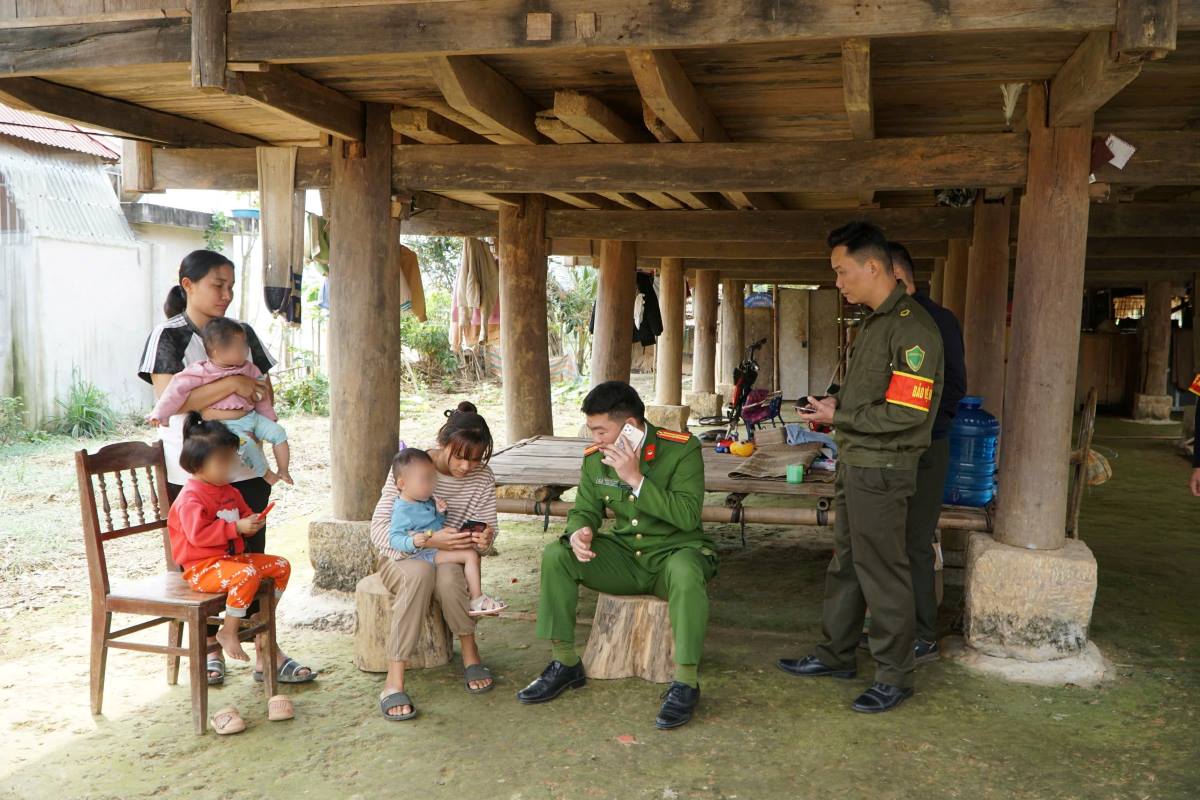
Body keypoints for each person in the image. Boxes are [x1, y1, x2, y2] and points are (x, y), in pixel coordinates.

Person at [779, 221, 944, 714]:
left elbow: (907, 413)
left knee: (882, 569)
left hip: (884, 468)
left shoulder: (912, 328)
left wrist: (841, 415)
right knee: (847, 563)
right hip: (857, 461)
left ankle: (895, 675)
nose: (838, 282)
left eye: (841, 271)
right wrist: (834, 404)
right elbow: (876, 396)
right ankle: (836, 654)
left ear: (873, 267)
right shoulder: (875, 321)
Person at [138, 249, 316, 687]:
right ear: (188, 285)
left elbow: (263, 391)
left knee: (253, 557)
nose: (226, 293)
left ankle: (265, 649)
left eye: (231, 286)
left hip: (246, 469)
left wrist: (246, 391)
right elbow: (170, 399)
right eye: (217, 284)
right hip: (194, 472)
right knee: (204, 557)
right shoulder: (170, 335)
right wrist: (233, 383)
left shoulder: (243, 332)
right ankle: (211, 648)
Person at [517, 381, 717, 730]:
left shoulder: (681, 450)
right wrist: (580, 531)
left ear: (629, 426)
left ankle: (685, 681)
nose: (594, 438)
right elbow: (585, 509)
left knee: (686, 570)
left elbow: (687, 516)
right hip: (626, 557)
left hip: (674, 555)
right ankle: (565, 663)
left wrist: (636, 479)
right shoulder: (597, 459)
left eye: (599, 430)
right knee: (557, 555)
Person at [368, 402, 500, 721]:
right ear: (443, 445)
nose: (468, 467)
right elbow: (379, 530)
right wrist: (428, 538)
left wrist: (485, 538)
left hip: (446, 556)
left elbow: (486, 528)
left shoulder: (482, 477)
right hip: (402, 555)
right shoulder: (414, 467)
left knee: (450, 578)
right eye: (460, 457)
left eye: (476, 459)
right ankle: (394, 679)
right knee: (419, 576)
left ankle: (470, 654)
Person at [167, 413, 294, 734]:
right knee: (247, 575)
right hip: (202, 569)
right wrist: (235, 527)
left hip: (230, 563)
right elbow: (197, 536)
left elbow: (243, 514)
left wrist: (254, 520)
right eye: (222, 464)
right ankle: (228, 630)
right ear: (196, 467)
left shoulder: (227, 489)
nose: (229, 469)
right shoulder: (191, 496)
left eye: (230, 462)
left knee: (280, 566)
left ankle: (256, 620)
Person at [888, 242, 967, 662]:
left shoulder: (938, 321)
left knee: (915, 541)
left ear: (896, 276)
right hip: (886, 450)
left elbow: (953, 388)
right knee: (886, 539)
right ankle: (892, 627)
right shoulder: (883, 321)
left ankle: (923, 633)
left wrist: (921, 431)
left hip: (924, 447)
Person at [149, 317, 292, 486]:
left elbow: (264, 395)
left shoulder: (250, 368)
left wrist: (268, 417)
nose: (245, 350)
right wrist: (160, 414)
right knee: (248, 446)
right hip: (226, 425)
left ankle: (283, 469)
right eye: (238, 346)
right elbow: (174, 392)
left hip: (252, 417)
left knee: (279, 433)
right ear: (218, 351)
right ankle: (265, 473)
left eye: (245, 345)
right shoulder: (201, 371)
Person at [387, 447, 506, 616]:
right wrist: (413, 542)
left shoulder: (424, 500)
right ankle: (477, 600)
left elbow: (434, 524)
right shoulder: (402, 510)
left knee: (470, 553)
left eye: (433, 479)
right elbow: (394, 538)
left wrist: (441, 514)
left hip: (433, 550)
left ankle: (476, 599)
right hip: (422, 554)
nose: (431, 485)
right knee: (468, 556)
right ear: (402, 484)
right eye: (425, 480)